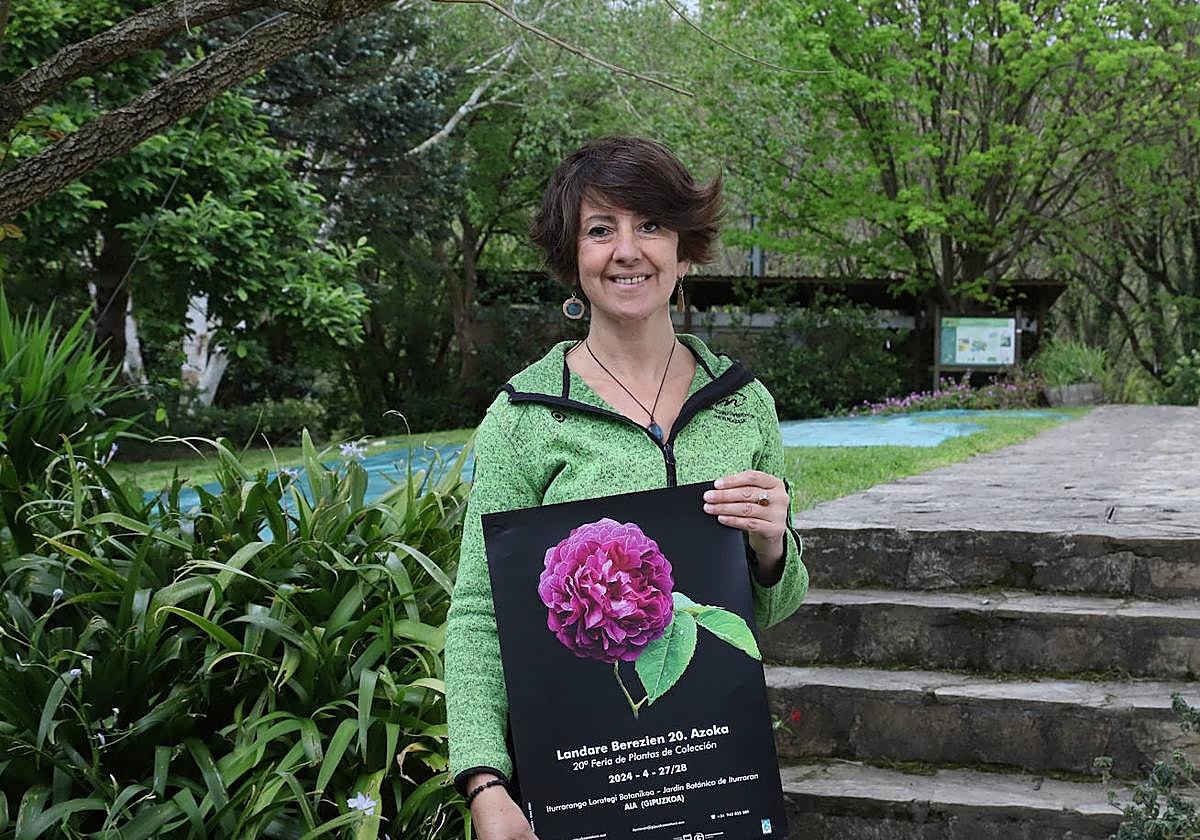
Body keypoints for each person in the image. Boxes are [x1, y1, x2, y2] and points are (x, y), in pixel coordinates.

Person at [444, 136, 809, 840]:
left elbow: (775, 606)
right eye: (600, 229)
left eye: (650, 225)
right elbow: (477, 614)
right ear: (571, 257)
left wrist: (772, 544)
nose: (628, 250)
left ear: (684, 246)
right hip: (581, 777)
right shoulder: (525, 417)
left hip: (712, 774)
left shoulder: (743, 403)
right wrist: (485, 782)